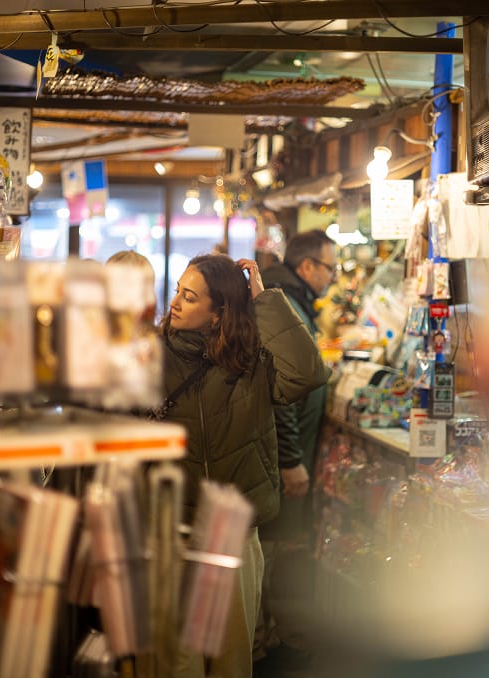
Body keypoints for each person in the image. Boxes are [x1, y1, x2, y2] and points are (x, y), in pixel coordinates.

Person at [157, 255, 330, 678]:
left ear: (219, 314)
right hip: (171, 530)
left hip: (233, 533)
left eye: (189, 296)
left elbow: (307, 374)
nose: (175, 302)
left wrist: (265, 300)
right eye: (178, 290)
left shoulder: (252, 360)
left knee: (231, 659)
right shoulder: (150, 355)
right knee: (179, 664)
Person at [255, 230, 336, 670]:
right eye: (330, 267)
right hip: (280, 455)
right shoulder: (282, 301)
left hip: (284, 453)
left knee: (274, 546)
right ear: (308, 267)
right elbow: (280, 392)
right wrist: (291, 459)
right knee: (272, 545)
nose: (333, 276)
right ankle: (267, 640)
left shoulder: (288, 297)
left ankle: (269, 633)